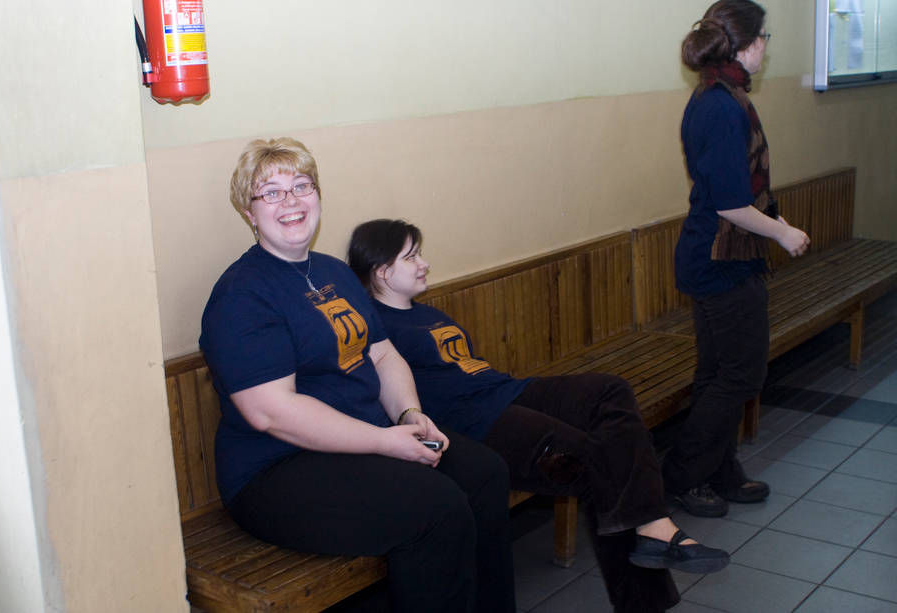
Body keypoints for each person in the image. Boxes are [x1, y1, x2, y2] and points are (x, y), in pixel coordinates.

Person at [348, 219, 732, 613]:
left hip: (507, 390)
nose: (424, 263)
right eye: (412, 257)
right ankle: (651, 565)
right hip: (477, 422)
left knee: (610, 390)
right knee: (599, 462)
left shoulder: (429, 313)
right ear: (382, 271)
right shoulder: (376, 328)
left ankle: (652, 527)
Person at [199, 138, 516, 613]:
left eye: (301, 186)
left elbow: (383, 355)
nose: (291, 201)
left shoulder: (334, 272)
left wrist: (408, 414)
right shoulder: (242, 295)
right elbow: (271, 413)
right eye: (271, 192)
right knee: (436, 508)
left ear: (317, 195)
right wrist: (385, 441)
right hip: (276, 470)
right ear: (249, 212)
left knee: (483, 472)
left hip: (362, 441)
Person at [662, 0, 810, 518]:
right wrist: (784, 233)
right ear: (745, 44)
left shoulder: (721, 95)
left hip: (719, 256)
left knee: (717, 372)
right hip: (719, 260)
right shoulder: (721, 106)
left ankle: (718, 472)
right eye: (764, 37)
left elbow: (736, 190)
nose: (767, 46)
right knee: (741, 375)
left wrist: (772, 223)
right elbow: (730, 203)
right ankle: (682, 476)